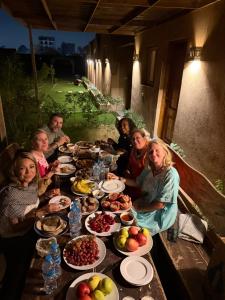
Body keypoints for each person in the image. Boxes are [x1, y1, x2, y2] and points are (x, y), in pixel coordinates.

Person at [0, 151, 60, 300]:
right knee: (18, 280)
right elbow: (16, 227)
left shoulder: (29, 184)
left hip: (30, 229)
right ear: (14, 171)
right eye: (23, 168)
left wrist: (46, 196)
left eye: (32, 167)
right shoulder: (11, 196)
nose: (29, 172)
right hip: (15, 240)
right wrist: (42, 211)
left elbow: (31, 202)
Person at [108, 138, 180, 236]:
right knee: (120, 214)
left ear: (165, 152)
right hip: (147, 202)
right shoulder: (149, 168)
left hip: (160, 214)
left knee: (130, 225)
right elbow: (137, 183)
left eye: (157, 150)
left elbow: (160, 204)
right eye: (150, 152)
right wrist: (118, 178)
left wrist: (139, 208)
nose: (153, 154)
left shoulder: (171, 175)